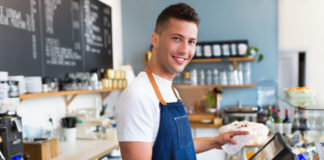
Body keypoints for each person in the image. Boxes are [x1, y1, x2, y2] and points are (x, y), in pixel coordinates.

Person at [115, 3, 249, 160]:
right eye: (177, 39)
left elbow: (176, 147)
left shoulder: (171, 91)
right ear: (155, 40)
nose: (185, 50)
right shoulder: (138, 96)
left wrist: (216, 141)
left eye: (191, 41)